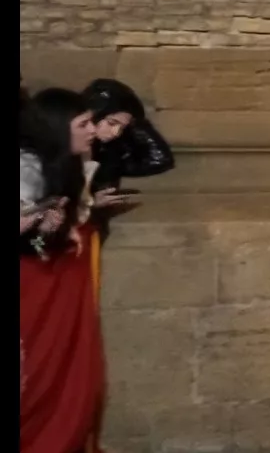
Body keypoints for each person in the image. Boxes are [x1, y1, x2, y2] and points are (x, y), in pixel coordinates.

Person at [19, 88, 107, 453]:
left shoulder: (63, 164)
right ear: (57, 127)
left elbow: (63, 215)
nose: (94, 130)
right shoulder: (25, 165)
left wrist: (61, 226)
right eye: (83, 124)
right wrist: (40, 219)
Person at [82, 78, 175, 195]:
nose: (116, 133)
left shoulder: (110, 150)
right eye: (111, 123)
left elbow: (160, 159)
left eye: (122, 128)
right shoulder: (66, 146)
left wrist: (136, 121)